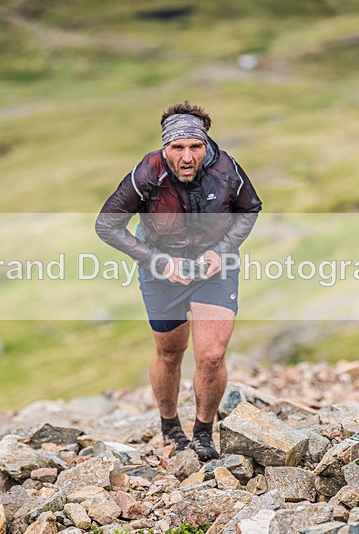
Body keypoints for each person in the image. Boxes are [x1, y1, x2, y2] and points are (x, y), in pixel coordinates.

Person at [95, 101, 262, 460]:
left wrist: (224, 249)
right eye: (178, 148)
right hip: (161, 269)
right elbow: (106, 225)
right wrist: (155, 260)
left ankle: (203, 433)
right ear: (165, 148)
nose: (187, 156)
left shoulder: (227, 169)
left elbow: (250, 209)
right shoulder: (147, 173)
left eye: (195, 147)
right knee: (170, 351)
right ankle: (170, 427)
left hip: (214, 266)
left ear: (206, 145)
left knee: (212, 354)